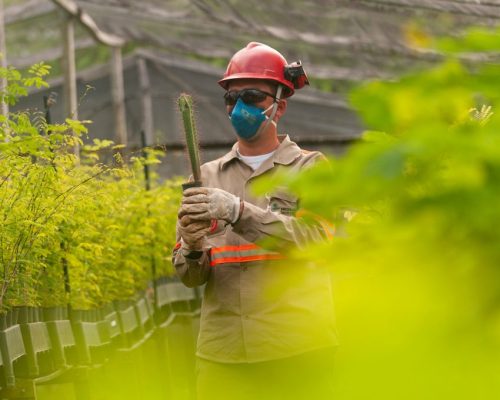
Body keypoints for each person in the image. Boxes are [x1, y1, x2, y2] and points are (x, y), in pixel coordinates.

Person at [173, 42, 338, 400]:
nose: (238, 108)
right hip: (223, 356)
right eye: (231, 99)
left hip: (296, 351)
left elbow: (318, 242)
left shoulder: (310, 169)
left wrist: (237, 212)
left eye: (251, 96)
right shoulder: (204, 177)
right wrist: (190, 246)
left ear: (280, 104)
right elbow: (190, 278)